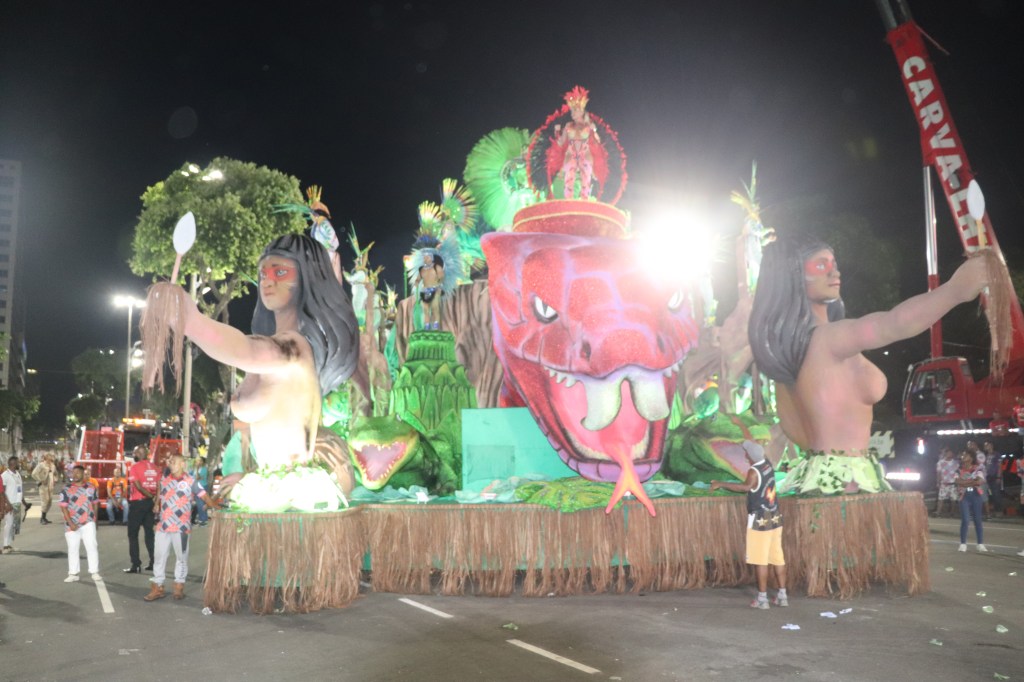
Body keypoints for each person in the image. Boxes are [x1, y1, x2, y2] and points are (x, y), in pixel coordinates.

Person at [749, 236, 989, 494]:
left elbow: (789, 430)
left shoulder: (792, 358)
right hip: (846, 486)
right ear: (793, 275)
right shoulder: (829, 339)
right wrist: (955, 290)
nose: (834, 272)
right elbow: (894, 323)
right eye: (820, 265)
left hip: (820, 481)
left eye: (833, 264)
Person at [141, 233, 358, 507]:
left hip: (293, 502)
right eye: (263, 273)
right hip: (269, 494)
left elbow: (242, 349)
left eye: (280, 272)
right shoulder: (275, 350)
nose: (267, 280)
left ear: (308, 278)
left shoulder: (295, 348)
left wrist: (190, 319)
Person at [710, 440, 787, 609]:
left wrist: (721, 484)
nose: (745, 455)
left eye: (746, 453)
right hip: (774, 516)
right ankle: (782, 596)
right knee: (777, 557)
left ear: (750, 455)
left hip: (760, 519)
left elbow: (746, 487)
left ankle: (762, 599)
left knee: (761, 560)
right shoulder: (767, 464)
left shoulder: (754, 471)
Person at [144, 454, 211, 601]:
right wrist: (156, 505)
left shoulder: (191, 481)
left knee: (181, 558)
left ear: (182, 464)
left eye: (174, 462)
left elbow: (204, 495)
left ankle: (179, 587)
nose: (171, 464)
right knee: (159, 557)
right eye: (170, 462)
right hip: (163, 525)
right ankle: (158, 587)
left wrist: (213, 506)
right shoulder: (164, 480)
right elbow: (159, 494)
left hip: (181, 527)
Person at [553, 85, 600, 199]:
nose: (572, 113)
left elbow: (597, 142)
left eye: (575, 110)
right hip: (571, 154)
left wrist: (594, 130)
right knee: (568, 182)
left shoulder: (588, 125)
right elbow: (561, 142)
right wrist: (557, 132)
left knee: (586, 183)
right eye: (571, 111)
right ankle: (568, 202)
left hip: (585, 154)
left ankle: (584, 201)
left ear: (581, 111)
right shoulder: (568, 125)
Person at [59, 465, 100, 582]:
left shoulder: (91, 487)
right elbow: (63, 508)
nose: (75, 475)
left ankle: (94, 572)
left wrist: (95, 520)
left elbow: (95, 503)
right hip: (72, 524)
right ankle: (73, 573)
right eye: (73, 472)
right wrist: (70, 523)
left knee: (92, 546)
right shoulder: (66, 489)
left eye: (78, 472)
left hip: (88, 522)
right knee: (73, 548)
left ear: (83, 474)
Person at [124, 445, 159, 574]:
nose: (134, 455)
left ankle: (136, 564)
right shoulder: (155, 468)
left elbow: (138, 486)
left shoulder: (135, 467)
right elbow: (159, 486)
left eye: (135, 453)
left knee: (133, 534)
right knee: (149, 534)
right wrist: (155, 500)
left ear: (139, 453)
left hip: (138, 503)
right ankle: (154, 562)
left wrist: (149, 495)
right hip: (150, 504)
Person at [956, 450, 986, 552]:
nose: (963, 456)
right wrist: (972, 481)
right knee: (965, 519)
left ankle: (980, 544)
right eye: (963, 455)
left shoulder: (978, 468)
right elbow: (958, 482)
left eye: (966, 455)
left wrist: (965, 482)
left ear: (971, 458)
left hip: (976, 495)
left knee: (978, 520)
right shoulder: (959, 469)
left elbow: (980, 481)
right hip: (964, 496)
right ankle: (963, 543)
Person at [1, 456, 23, 553]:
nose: (19, 464)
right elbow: (2, 491)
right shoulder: (5, 475)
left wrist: (24, 502)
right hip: (9, 503)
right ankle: (5, 546)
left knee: (13, 525)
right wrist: (7, 504)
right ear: (13, 464)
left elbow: (19, 489)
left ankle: (9, 545)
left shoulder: (17, 474)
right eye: (18, 462)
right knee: (8, 524)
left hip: (17, 503)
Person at [31, 453, 59, 525]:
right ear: (46, 457)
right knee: (45, 501)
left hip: (50, 486)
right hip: (43, 486)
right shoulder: (41, 465)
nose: (51, 457)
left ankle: (44, 517)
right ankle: (42, 518)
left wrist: (55, 480)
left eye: (51, 456)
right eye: (49, 456)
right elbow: (34, 474)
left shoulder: (53, 466)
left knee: (49, 502)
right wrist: (40, 480)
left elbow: (56, 474)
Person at [935, 447, 959, 518]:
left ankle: (952, 513)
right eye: (948, 453)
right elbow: (938, 473)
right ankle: (938, 512)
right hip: (944, 483)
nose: (950, 454)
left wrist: (957, 482)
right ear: (945, 454)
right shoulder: (940, 462)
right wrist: (938, 482)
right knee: (941, 498)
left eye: (951, 453)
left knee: (953, 499)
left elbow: (957, 472)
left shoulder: (955, 463)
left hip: (953, 483)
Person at [190, 456, 209, 526]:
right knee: (198, 504)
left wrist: (197, 469)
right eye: (197, 461)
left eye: (200, 461)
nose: (198, 462)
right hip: (196, 487)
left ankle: (203, 520)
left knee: (201, 504)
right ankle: (201, 518)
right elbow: (189, 476)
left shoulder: (204, 469)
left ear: (202, 462)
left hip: (202, 487)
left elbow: (198, 477)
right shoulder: (193, 469)